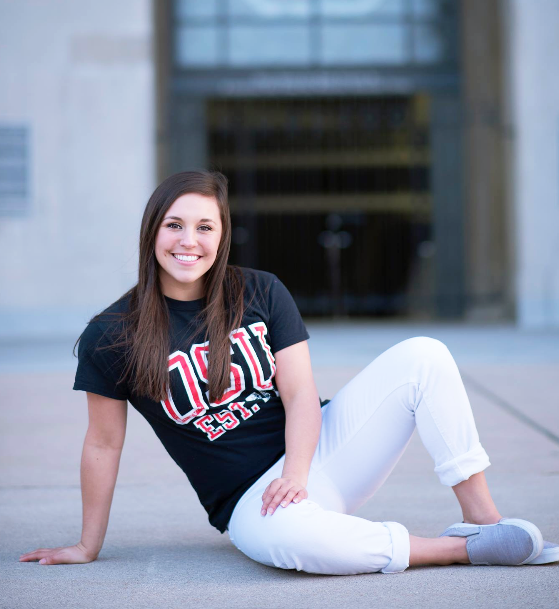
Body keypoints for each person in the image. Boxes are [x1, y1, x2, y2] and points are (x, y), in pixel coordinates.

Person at [20, 170, 558, 573]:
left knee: (424, 354)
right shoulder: (112, 334)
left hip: (317, 454)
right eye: (174, 225)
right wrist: (88, 545)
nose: (190, 241)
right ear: (151, 232)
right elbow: (102, 446)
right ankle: (461, 551)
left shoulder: (259, 290)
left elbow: (301, 393)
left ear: (222, 234)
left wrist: (296, 475)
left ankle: (485, 524)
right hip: (248, 500)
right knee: (295, 547)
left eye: (205, 227)